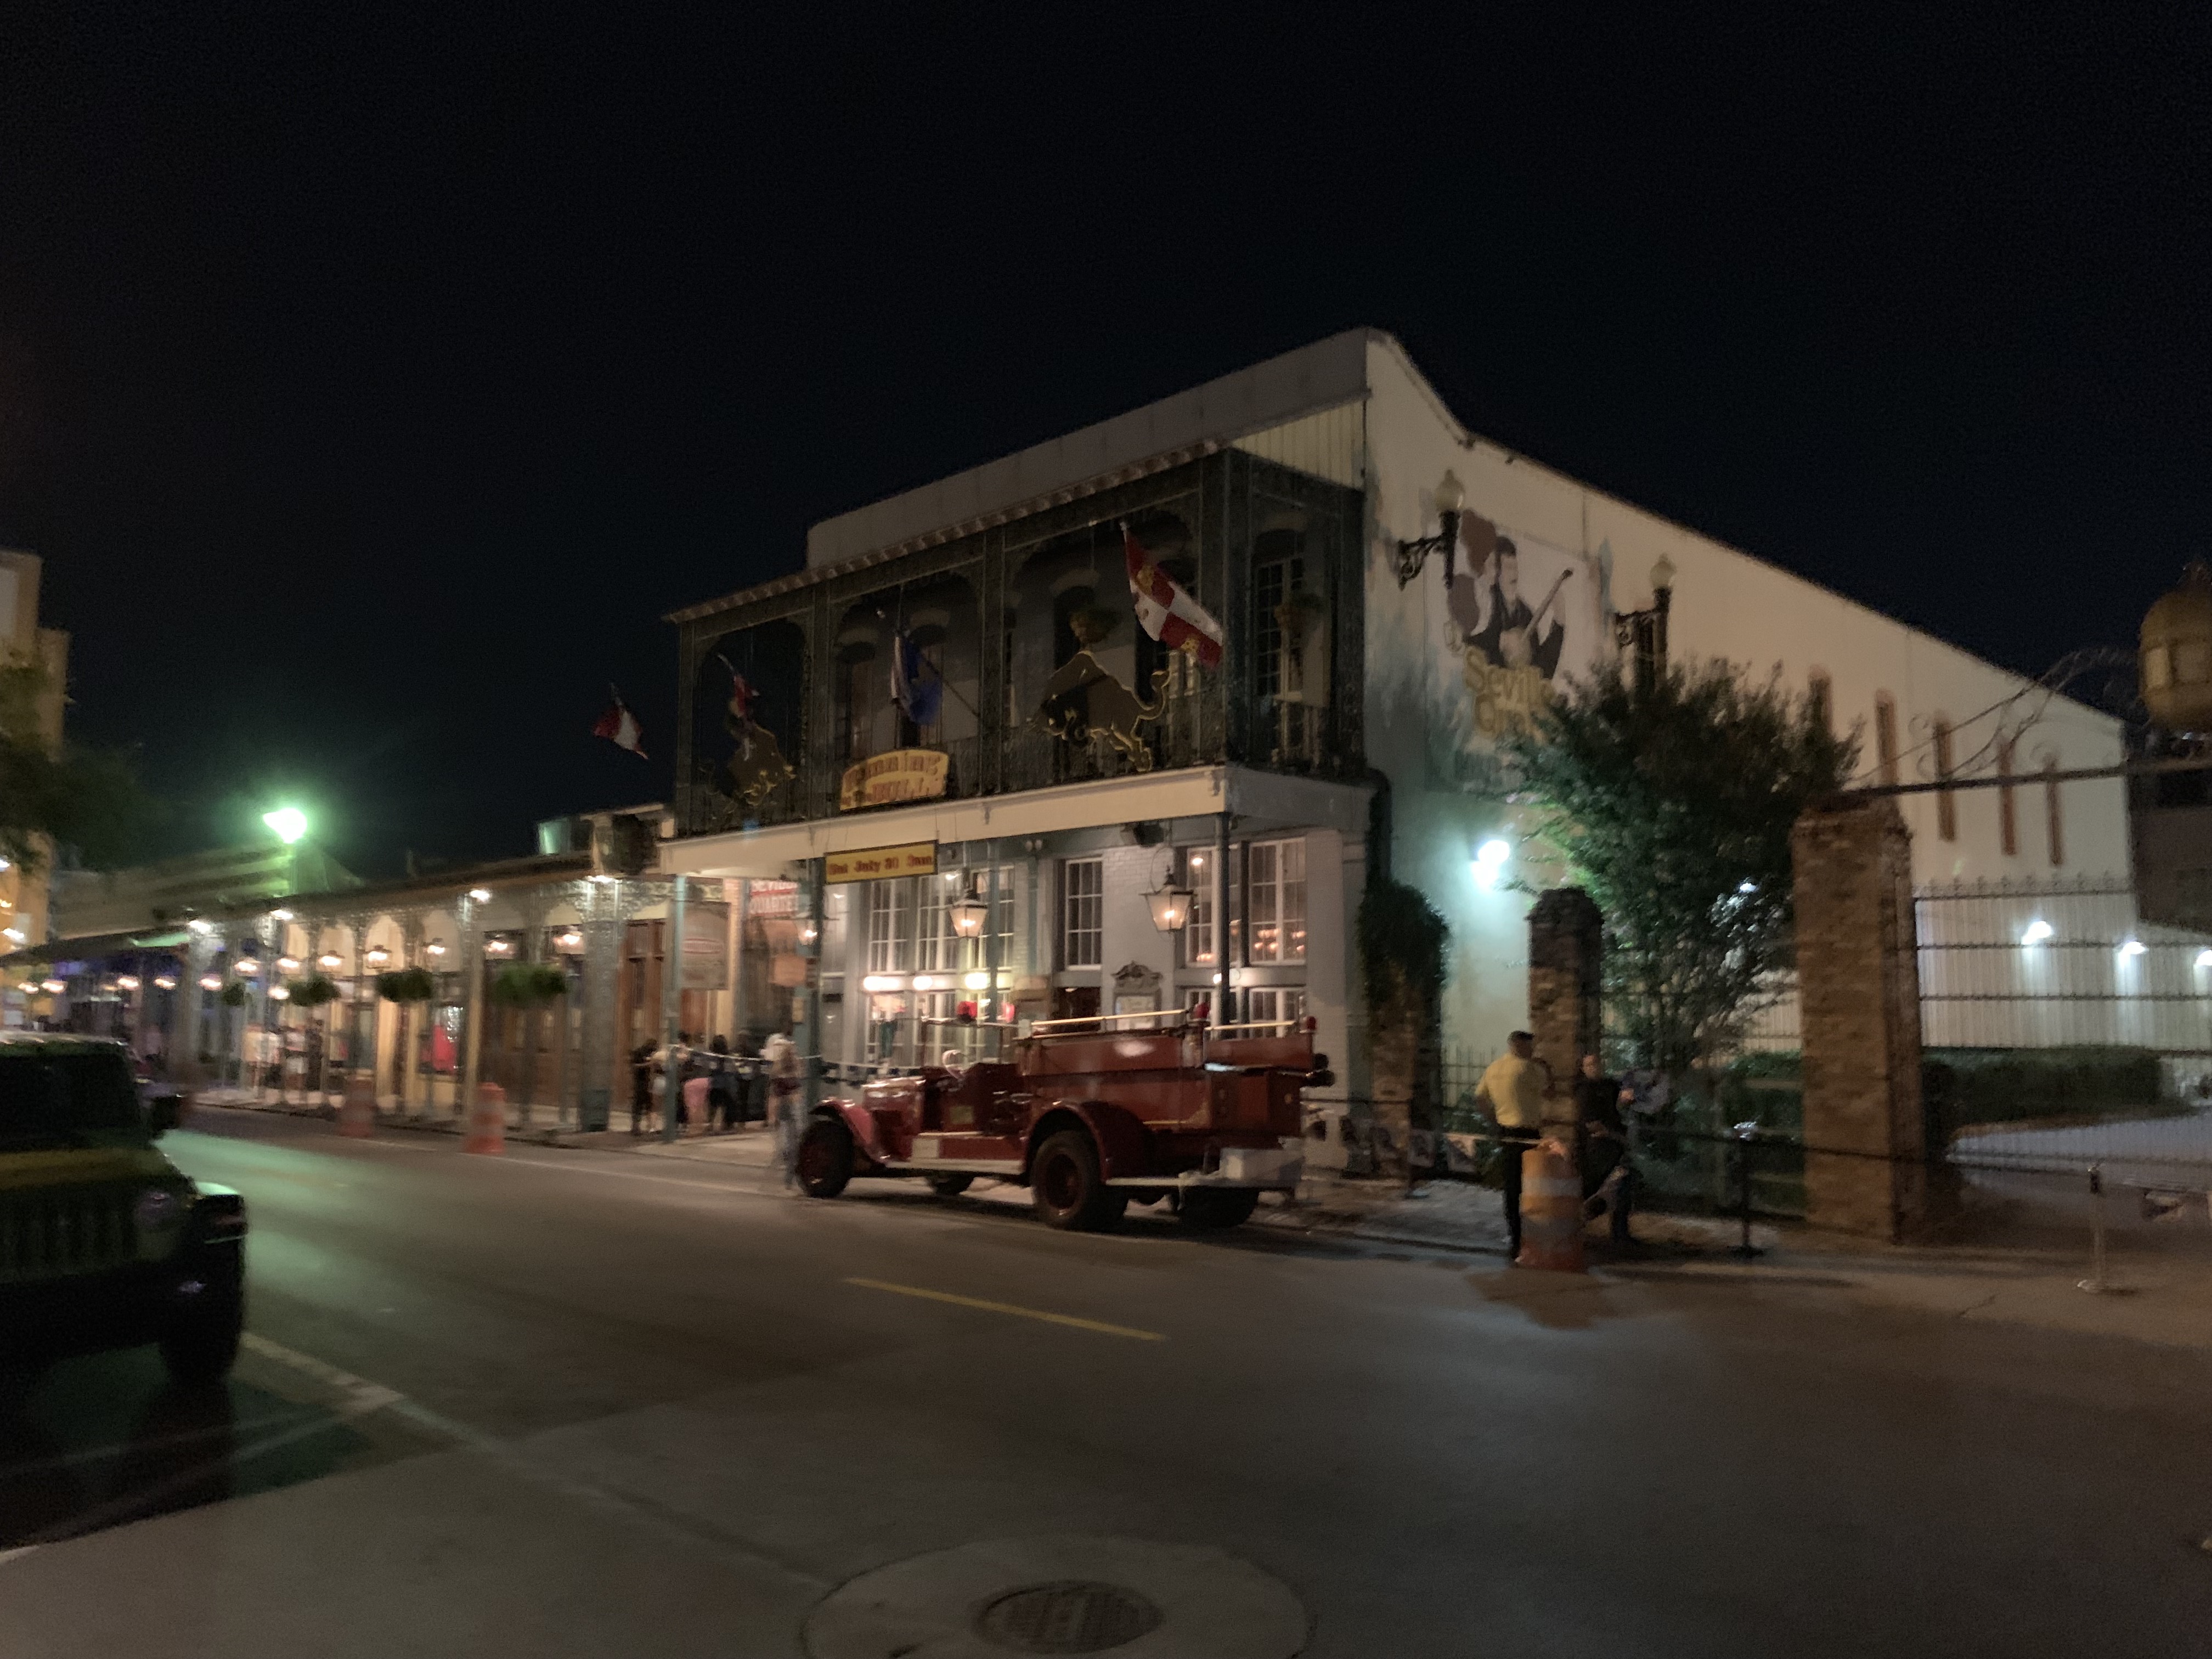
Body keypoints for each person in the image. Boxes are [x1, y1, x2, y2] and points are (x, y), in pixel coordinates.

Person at [1475, 1030, 1553, 1260]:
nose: (1533, 1051)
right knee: (1533, 1185)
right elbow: (1550, 1091)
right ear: (1520, 1045)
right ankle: (1533, 1235)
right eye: (1530, 1046)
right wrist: (1546, 1068)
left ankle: (1515, 1238)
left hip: (1505, 1132)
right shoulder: (1528, 1068)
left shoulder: (1494, 1068)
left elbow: (1480, 1098)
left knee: (1511, 1187)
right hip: (1528, 1133)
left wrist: (1494, 1122)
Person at [1573, 1053, 1635, 1245]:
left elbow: (1624, 1096)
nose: (1595, 1067)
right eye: (1590, 1064)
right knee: (1595, 1191)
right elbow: (1593, 1126)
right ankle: (1575, 1230)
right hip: (1595, 1151)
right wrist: (1615, 1135)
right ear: (1583, 1068)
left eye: (1597, 1063)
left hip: (1613, 1148)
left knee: (1622, 1188)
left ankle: (1620, 1234)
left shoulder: (1609, 1086)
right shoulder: (1585, 1091)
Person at [763, 1029, 802, 1188]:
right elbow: (776, 1098)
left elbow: (789, 1097)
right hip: (787, 1115)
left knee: (788, 1148)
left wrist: (772, 1117)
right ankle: (787, 1179)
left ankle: (788, 1179)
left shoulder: (789, 1074)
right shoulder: (781, 1076)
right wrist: (772, 1117)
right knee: (787, 1148)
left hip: (789, 1114)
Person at [628, 1040, 656, 1135]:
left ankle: (650, 1127)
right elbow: (634, 1066)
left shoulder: (649, 1053)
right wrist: (647, 1065)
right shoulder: (639, 1053)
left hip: (647, 1081)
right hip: (640, 1081)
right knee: (639, 1104)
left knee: (648, 1105)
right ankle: (636, 1126)